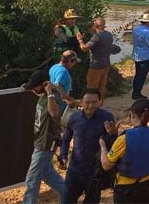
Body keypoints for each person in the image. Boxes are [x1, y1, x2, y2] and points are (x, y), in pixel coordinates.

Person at [60, 89, 119, 203]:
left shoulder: (107, 117)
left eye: (94, 102)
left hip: (95, 171)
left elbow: (114, 144)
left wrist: (112, 135)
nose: (91, 105)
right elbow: (66, 139)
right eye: (87, 102)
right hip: (75, 169)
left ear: (100, 102)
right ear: (81, 102)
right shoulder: (74, 118)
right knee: (66, 199)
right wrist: (63, 156)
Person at [100, 99, 149, 204]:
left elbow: (106, 165)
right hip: (148, 185)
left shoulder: (124, 139)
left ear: (132, 115)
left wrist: (103, 146)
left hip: (127, 190)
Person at [21, 70, 66, 204]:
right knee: (47, 174)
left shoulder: (53, 96)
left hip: (46, 142)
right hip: (40, 141)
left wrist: (50, 92)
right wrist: (27, 87)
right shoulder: (43, 94)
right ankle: (68, 194)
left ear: (45, 84)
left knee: (32, 179)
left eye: (36, 86)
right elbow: (31, 88)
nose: (34, 89)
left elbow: (54, 113)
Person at [79, 17, 116, 100]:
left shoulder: (96, 37)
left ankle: (91, 103)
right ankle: (100, 102)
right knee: (102, 85)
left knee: (91, 87)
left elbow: (85, 48)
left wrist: (80, 40)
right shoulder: (109, 34)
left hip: (96, 65)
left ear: (95, 25)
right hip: (106, 63)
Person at [132, 13, 149, 100]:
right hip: (146, 56)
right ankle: (137, 93)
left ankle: (135, 91)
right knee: (142, 76)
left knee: (137, 74)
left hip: (137, 55)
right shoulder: (148, 32)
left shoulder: (135, 29)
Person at [49, 50, 81, 115]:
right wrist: (68, 98)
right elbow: (57, 85)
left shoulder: (54, 67)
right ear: (70, 61)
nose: (74, 64)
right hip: (59, 105)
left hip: (54, 102)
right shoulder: (63, 71)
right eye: (74, 62)